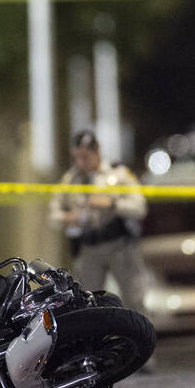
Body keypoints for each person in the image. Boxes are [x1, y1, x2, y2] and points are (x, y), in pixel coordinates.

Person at [49, 130, 148, 316]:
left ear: (97, 152)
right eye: (76, 157)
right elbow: (53, 215)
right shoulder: (70, 180)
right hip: (89, 248)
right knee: (88, 303)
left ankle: (141, 337)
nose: (80, 162)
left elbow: (139, 207)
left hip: (118, 245)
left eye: (85, 157)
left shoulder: (118, 174)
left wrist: (112, 204)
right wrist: (68, 217)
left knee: (134, 299)